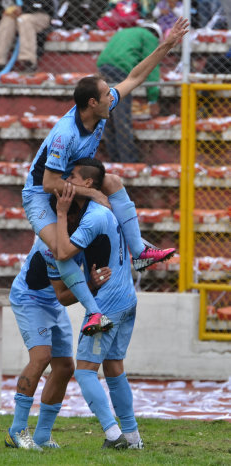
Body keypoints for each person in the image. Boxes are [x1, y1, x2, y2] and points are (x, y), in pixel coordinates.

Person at [22, 17, 188, 331]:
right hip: (41, 195)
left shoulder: (102, 106)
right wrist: (94, 193)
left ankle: (139, 251)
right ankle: (94, 310)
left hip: (67, 185)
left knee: (112, 181)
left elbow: (135, 77)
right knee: (60, 250)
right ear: (92, 103)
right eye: (106, 94)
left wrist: (166, 45)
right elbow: (48, 182)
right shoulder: (64, 135)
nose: (113, 96)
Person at [54, 157, 143, 449]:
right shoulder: (109, 207)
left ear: (88, 184)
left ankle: (114, 435)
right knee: (114, 366)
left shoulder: (93, 216)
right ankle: (133, 438)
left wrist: (61, 212)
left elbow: (64, 251)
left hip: (107, 306)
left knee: (84, 371)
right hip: (127, 297)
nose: (68, 181)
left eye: (74, 177)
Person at [5, 211, 111, 450]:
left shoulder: (85, 233)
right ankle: (17, 430)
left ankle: (42, 435)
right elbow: (65, 296)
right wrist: (92, 284)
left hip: (51, 302)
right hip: (30, 299)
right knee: (41, 357)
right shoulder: (51, 243)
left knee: (64, 367)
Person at [96, 20, 163, 162]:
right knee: (122, 118)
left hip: (104, 67)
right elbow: (151, 67)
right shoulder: (150, 37)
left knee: (107, 115)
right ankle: (128, 160)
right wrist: (152, 98)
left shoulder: (126, 32)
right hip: (121, 69)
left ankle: (115, 159)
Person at [0, 0, 55, 74]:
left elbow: (43, 6)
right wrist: (10, 9)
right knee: (7, 20)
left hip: (40, 15)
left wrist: (23, 9)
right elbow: (3, 3)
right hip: (19, 14)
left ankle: (28, 61)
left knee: (24, 19)